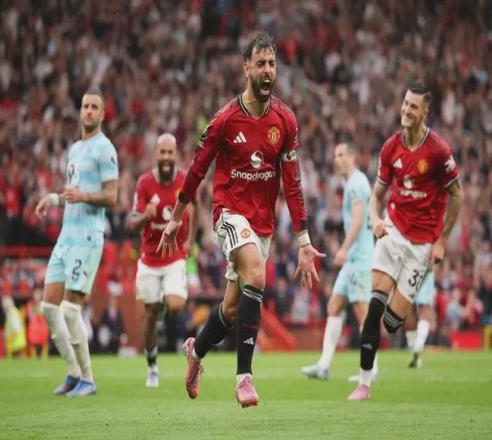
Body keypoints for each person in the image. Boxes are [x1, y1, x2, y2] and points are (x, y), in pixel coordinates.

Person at [158, 32, 324, 408]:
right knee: (257, 275)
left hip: (262, 224)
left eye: (272, 64)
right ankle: (244, 378)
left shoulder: (286, 120)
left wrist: (304, 240)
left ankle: (196, 352)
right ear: (245, 67)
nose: (267, 71)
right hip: (229, 214)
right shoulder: (224, 120)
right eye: (260, 63)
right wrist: (176, 217)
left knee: (231, 310)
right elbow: (196, 170)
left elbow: (293, 183)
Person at [348, 84, 463, 400]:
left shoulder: (438, 151)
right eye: (405, 104)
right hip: (393, 231)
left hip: (423, 244)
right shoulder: (390, 148)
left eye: (413, 106)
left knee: (392, 322)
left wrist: (441, 242)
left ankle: (399, 324)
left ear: (425, 112)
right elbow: (376, 196)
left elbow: (457, 195)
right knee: (374, 306)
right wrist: (375, 218)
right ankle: (364, 383)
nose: (406, 110)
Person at [35, 89, 119, 397]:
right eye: (85, 106)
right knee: (48, 307)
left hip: (87, 237)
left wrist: (82, 196)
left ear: (102, 114)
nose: (89, 111)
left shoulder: (105, 148)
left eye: (95, 107)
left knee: (70, 310)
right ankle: (73, 372)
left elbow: (112, 196)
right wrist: (55, 199)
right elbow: (73, 192)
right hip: (66, 236)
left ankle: (89, 379)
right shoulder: (75, 149)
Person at [301, 142, 376, 380]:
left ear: (353, 158)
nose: (337, 159)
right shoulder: (352, 183)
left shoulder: (356, 183)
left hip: (359, 257)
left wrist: (343, 249)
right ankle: (323, 366)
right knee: (334, 306)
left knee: (362, 312)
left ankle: (372, 369)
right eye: (335, 155)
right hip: (354, 257)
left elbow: (358, 219)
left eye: (342, 155)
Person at [129, 133, 195, 388]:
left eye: (170, 152)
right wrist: (145, 216)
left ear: (175, 154)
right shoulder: (144, 183)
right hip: (149, 257)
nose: (166, 157)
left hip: (174, 254)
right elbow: (132, 224)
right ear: (155, 154)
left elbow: (195, 207)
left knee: (175, 304)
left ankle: (165, 302)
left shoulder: (184, 180)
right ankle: (152, 367)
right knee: (149, 314)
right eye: (162, 152)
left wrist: (189, 239)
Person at [405, 271, 436, 368]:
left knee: (409, 310)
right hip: (425, 269)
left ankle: (414, 353)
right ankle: (418, 345)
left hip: (408, 271)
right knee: (424, 310)